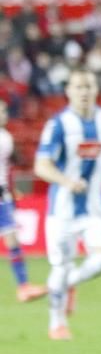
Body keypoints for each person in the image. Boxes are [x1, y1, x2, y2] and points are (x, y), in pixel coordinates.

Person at [33, 69, 101, 340]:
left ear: (96, 89)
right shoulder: (58, 125)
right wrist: (66, 181)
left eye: (89, 87)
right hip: (61, 211)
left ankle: (68, 284)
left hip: (96, 207)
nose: (84, 92)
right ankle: (57, 324)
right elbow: (41, 166)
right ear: (68, 91)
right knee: (60, 266)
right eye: (78, 87)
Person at [0, 100, 48, 303]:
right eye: (0, 111)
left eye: (4, 110)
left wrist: (11, 192)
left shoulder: (6, 138)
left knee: (13, 240)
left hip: (2, 195)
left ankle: (23, 286)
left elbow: (8, 169)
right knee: (12, 240)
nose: (4, 114)